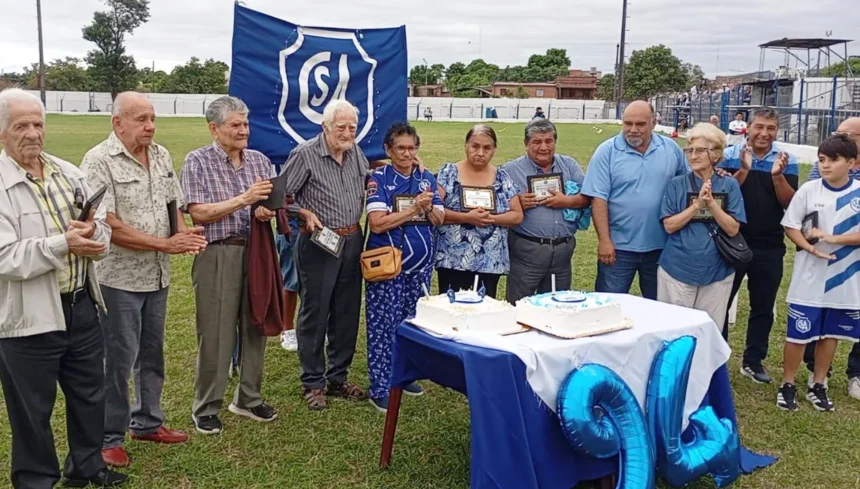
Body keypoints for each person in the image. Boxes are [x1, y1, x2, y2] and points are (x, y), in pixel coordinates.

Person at [0, 88, 127, 488]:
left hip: (81, 305)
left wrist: (94, 235)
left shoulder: (68, 172)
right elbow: (5, 257)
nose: (33, 133)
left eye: (38, 124)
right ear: (1, 132)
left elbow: (100, 226)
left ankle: (88, 467)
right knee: (32, 410)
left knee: (89, 395)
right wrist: (63, 243)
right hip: (29, 317)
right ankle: (36, 479)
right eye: (21, 126)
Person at [81, 92, 207, 468]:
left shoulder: (162, 155)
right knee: (118, 360)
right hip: (117, 278)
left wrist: (182, 237)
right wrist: (164, 243)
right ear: (117, 122)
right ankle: (109, 436)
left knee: (152, 354)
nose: (150, 126)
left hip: (157, 276)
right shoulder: (97, 161)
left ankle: (148, 421)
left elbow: (174, 205)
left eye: (152, 118)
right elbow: (108, 224)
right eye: (141, 119)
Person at [181, 95, 278, 434]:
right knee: (217, 332)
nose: (243, 130)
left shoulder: (259, 161)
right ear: (214, 128)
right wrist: (245, 199)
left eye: (245, 124)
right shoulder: (197, 162)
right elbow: (198, 212)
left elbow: (268, 206)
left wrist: (265, 211)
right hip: (218, 253)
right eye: (235, 125)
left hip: (256, 252)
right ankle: (207, 406)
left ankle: (248, 399)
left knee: (256, 324)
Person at [280, 99, 370, 411]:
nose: (347, 133)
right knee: (315, 313)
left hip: (351, 240)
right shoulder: (305, 154)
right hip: (318, 242)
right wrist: (302, 211)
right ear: (325, 127)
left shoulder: (355, 152)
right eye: (341, 127)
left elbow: (367, 179)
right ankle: (313, 381)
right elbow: (280, 198)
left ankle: (338, 378)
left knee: (346, 312)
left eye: (352, 127)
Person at [364, 122, 445, 412]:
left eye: (412, 148)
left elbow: (439, 219)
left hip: (420, 267)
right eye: (401, 148)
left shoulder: (426, 179)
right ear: (388, 149)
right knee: (384, 325)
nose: (407, 153)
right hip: (387, 265)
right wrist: (412, 209)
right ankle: (380, 385)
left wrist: (428, 208)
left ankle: (405, 375)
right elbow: (377, 222)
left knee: (412, 322)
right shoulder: (379, 179)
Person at [776, 134, 860, 412]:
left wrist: (835, 239)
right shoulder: (809, 190)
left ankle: (818, 384)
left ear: (851, 163)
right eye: (822, 159)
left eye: (833, 160)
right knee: (798, 334)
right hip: (808, 278)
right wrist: (809, 248)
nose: (825, 165)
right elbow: (791, 225)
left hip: (845, 279)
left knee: (830, 334)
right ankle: (787, 384)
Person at [718, 108, 799, 385]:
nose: (764, 133)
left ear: (777, 131)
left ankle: (753, 360)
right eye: (760, 127)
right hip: (731, 241)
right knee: (721, 302)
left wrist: (777, 176)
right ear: (748, 128)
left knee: (763, 305)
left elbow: (790, 202)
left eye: (771, 128)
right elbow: (723, 198)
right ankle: (717, 358)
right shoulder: (729, 155)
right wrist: (743, 169)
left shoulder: (787, 159)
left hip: (770, 244)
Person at [581, 101, 687, 300]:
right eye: (628, 123)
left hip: (662, 246)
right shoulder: (607, 151)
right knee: (609, 306)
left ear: (654, 123)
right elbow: (598, 199)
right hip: (618, 248)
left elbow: (687, 185)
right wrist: (604, 240)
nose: (633, 130)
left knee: (661, 309)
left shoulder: (671, 149)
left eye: (640, 124)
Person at [657, 123, 745, 334]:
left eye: (699, 150)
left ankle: (706, 369)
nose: (693, 156)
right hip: (677, 269)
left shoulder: (728, 184)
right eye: (689, 150)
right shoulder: (677, 184)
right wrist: (697, 206)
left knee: (708, 332)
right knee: (674, 331)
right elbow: (669, 225)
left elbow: (733, 229)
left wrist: (712, 204)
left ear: (715, 154)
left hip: (717, 271)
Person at [503, 118, 590, 303]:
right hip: (527, 250)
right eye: (537, 141)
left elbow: (588, 197)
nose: (544, 147)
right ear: (526, 144)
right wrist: (517, 202)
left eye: (549, 141)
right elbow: (497, 207)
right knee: (519, 307)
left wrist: (567, 201)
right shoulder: (510, 170)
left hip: (563, 252)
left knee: (557, 307)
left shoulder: (569, 165)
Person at [803, 117, 860, 399]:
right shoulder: (822, 168)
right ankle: (818, 373)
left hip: (852, 256)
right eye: (838, 132)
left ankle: (857, 372)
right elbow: (811, 204)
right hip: (826, 255)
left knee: (850, 312)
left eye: (847, 135)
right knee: (821, 309)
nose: (841, 137)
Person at [434, 124, 524, 298]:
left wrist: (491, 218)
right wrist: (467, 217)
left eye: (487, 148)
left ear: (494, 150)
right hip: (452, 260)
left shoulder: (502, 176)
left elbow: (517, 215)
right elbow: (435, 211)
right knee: (452, 312)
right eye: (475, 146)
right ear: (466, 146)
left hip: (489, 262)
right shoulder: (449, 173)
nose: (480, 153)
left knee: (484, 314)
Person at [275, 213, 300, 352]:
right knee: (291, 280)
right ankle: (287, 330)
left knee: (314, 281)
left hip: (316, 225)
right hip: (291, 227)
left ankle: (312, 326)